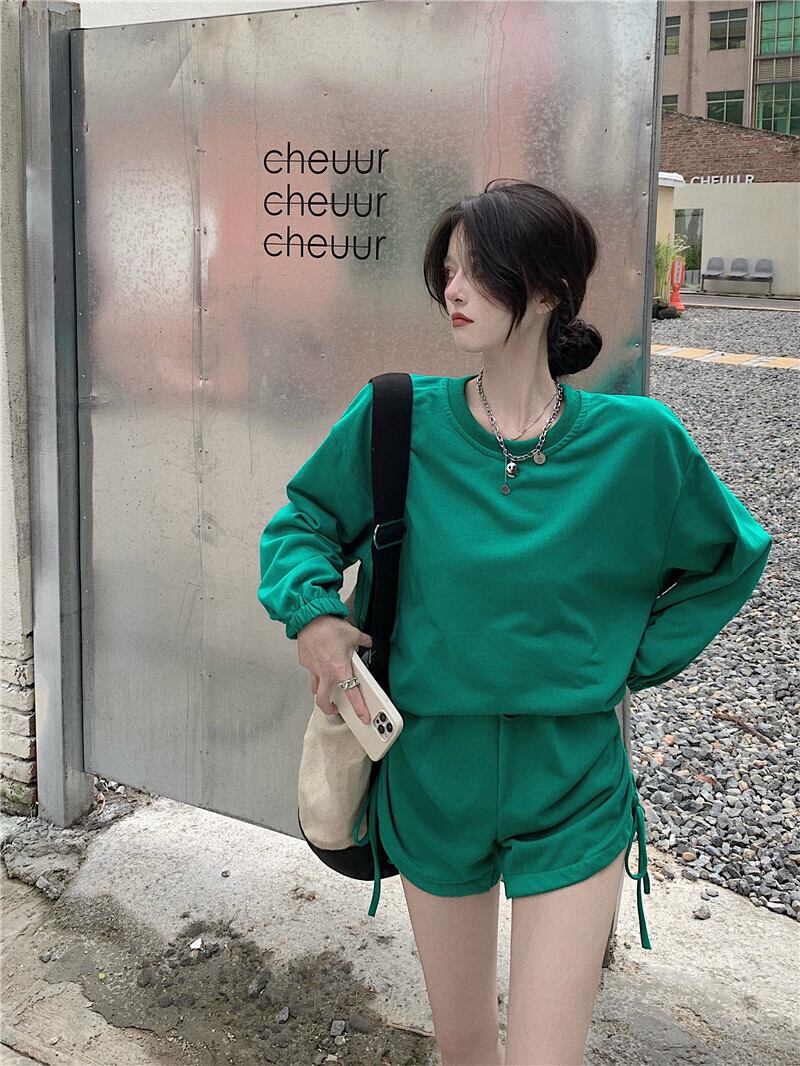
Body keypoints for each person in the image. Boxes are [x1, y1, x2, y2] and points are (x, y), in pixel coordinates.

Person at [257, 179, 772, 1066]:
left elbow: (732, 555)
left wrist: (629, 657)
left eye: (477, 270)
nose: (451, 289)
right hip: (431, 775)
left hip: (572, 781)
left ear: (545, 289)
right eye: (447, 270)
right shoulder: (395, 418)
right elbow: (301, 523)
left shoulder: (638, 442)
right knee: (464, 1049)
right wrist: (312, 615)